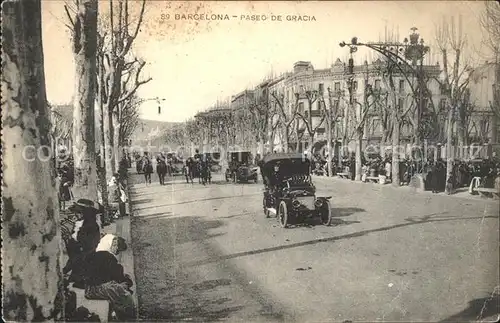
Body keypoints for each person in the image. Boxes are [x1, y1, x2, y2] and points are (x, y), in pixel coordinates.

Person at [84, 234, 136, 321]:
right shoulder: (108, 257)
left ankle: (119, 314)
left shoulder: (94, 254)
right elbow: (118, 276)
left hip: (91, 288)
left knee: (120, 289)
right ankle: (128, 318)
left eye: (116, 245)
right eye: (114, 245)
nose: (116, 247)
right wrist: (127, 281)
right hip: (98, 288)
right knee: (125, 294)